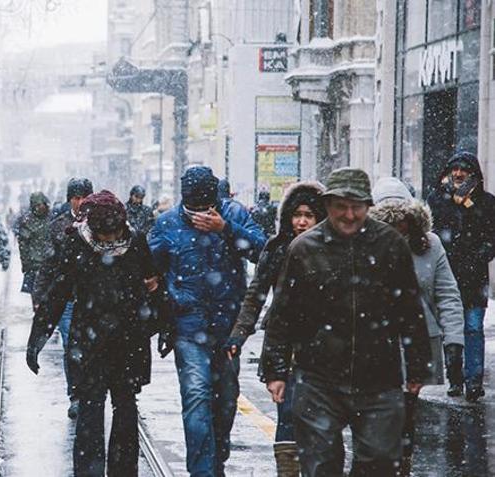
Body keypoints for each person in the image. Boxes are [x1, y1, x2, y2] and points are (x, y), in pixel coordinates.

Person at [261, 167, 432, 476]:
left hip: (378, 375)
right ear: (327, 206)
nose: (350, 215)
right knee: (321, 463)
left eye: (357, 207)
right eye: (342, 206)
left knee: (379, 462)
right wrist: (275, 370)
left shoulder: (390, 245)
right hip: (318, 376)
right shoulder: (304, 249)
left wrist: (418, 365)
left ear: (368, 206)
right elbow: (282, 316)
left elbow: (410, 310)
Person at [26, 190, 161, 477]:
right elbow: (59, 290)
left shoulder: (135, 241)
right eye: (105, 236)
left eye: (115, 234)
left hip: (128, 340)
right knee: (90, 408)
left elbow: (154, 284)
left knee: (125, 408)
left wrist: (165, 326)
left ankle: (123, 472)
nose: (111, 241)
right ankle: (89, 472)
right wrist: (39, 334)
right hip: (90, 341)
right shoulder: (77, 242)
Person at [148, 166, 266, 477]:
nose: (201, 214)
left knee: (226, 401)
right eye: (194, 210)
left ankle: (218, 458)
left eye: (207, 208)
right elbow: (148, 266)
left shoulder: (234, 214)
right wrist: (159, 296)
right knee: (197, 397)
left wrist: (225, 228)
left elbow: (263, 251)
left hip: (228, 328)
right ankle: (201, 471)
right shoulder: (167, 224)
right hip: (188, 327)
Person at [225, 181, 326, 476]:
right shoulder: (278, 247)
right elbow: (256, 295)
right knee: (288, 416)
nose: (302, 221)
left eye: (309, 214)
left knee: (324, 422)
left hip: (328, 349)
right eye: (297, 214)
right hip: (288, 349)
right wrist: (238, 335)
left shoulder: (335, 250)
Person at [370, 176, 465, 476]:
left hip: (418, 342)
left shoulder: (431, 245)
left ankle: (401, 466)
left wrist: (454, 341)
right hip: (375, 343)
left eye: (402, 221)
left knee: (406, 411)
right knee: (379, 413)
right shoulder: (363, 246)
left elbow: (447, 294)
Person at [427, 151, 495, 402]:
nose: (458, 174)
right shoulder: (437, 199)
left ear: (473, 174)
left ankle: (474, 380)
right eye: (454, 169)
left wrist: (480, 254)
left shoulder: (486, 203)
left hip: (475, 280)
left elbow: (491, 238)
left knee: (474, 328)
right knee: (451, 329)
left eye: (463, 169)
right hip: (447, 279)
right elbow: (434, 232)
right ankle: (455, 379)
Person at [34, 177, 93, 419]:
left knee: (92, 346)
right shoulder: (58, 225)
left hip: (93, 296)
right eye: (76, 198)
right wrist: (39, 296)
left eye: (83, 197)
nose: (80, 203)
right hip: (67, 297)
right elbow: (47, 264)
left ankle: (91, 390)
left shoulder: (101, 220)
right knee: (72, 345)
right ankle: (76, 394)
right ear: (70, 199)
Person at [14, 192, 52, 308]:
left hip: (50, 263)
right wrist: (26, 264)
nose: (40, 208)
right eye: (37, 205)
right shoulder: (27, 221)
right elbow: (23, 246)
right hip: (35, 264)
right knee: (37, 297)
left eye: (42, 204)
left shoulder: (52, 218)